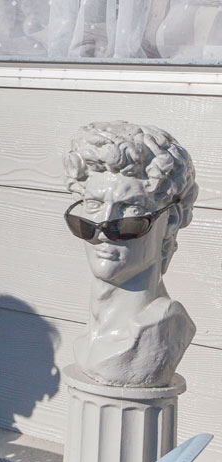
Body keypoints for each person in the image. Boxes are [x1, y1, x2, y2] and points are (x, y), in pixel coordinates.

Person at [63, 121, 198, 387]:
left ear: (170, 220)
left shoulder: (161, 331)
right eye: (93, 204)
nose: (103, 228)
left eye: (131, 210)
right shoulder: (89, 338)